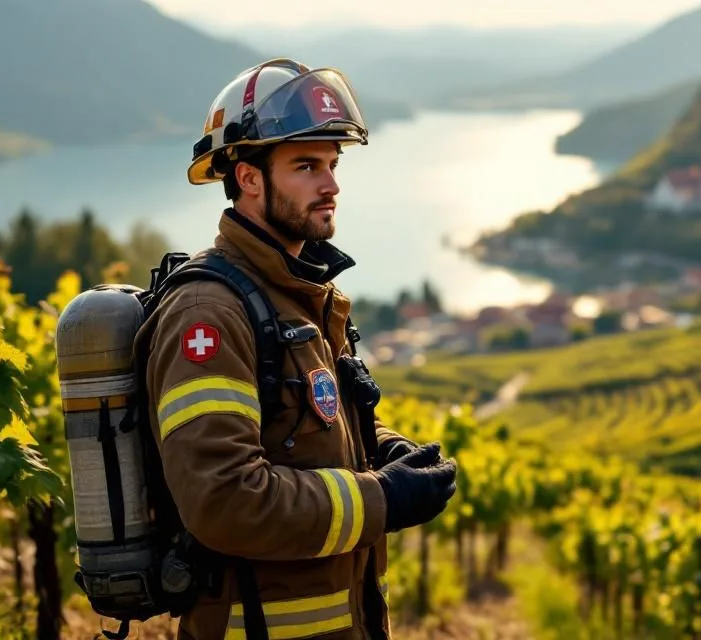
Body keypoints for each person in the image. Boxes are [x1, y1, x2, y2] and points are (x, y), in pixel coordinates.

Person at [133, 58, 458, 640]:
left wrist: (381, 449)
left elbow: (301, 432)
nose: (331, 184)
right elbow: (226, 500)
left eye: (332, 164)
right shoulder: (209, 313)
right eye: (306, 165)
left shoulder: (298, 296)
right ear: (248, 177)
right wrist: (383, 497)